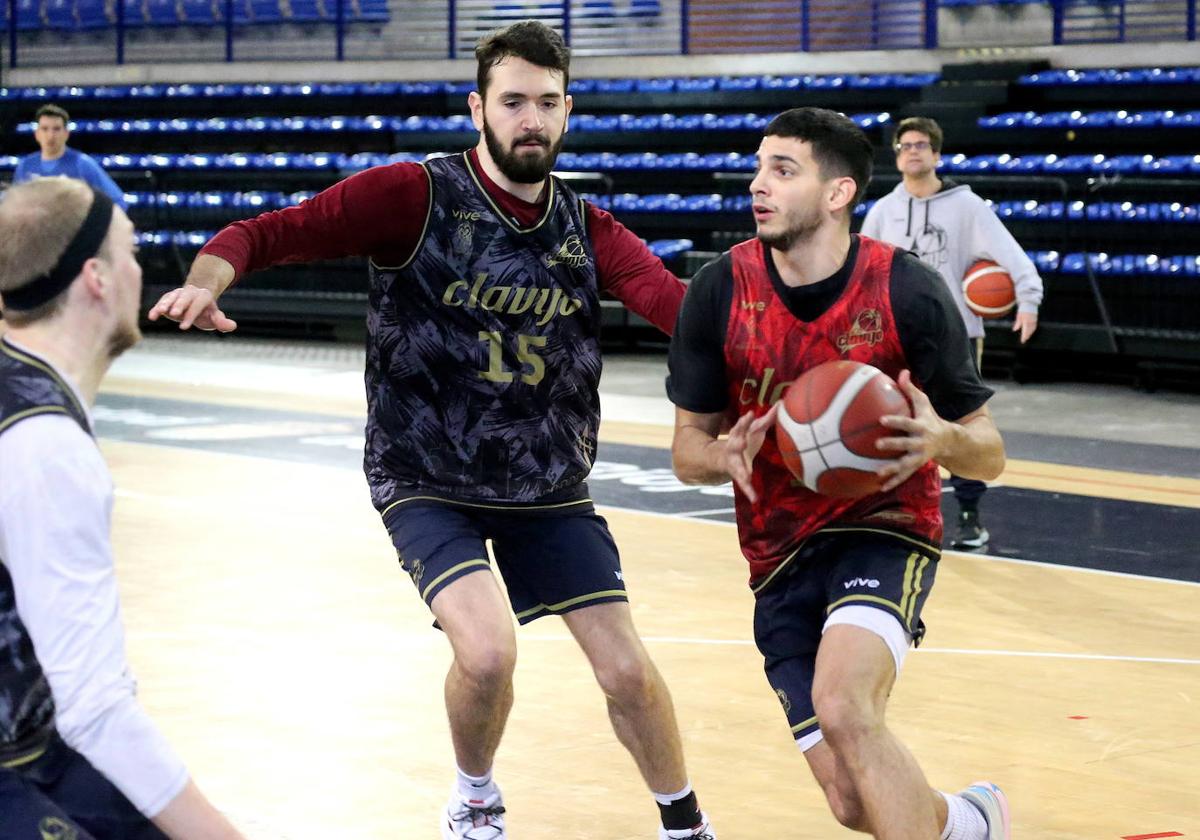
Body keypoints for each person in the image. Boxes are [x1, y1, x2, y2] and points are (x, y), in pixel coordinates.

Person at [146, 20, 716, 840]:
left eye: (547, 104)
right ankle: (475, 796)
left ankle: (685, 823)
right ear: (477, 106)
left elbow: (674, 306)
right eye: (513, 101)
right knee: (486, 653)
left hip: (546, 482)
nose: (530, 119)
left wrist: (760, 349)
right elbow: (271, 231)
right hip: (426, 475)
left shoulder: (587, 228)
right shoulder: (412, 195)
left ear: (567, 112)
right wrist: (208, 278)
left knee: (627, 668)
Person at [667, 108, 1011, 840]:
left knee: (846, 706)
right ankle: (970, 824)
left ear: (838, 193)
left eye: (782, 171)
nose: (759, 185)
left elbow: (991, 453)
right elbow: (686, 451)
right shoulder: (719, 291)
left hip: (884, 531)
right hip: (777, 556)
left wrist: (943, 437)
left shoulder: (906, 291)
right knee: (853, 803)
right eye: (760, 168)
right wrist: (722, 455)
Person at [0, 178, 246, 839]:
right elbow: (97, 708)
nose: (142, 268)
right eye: (130, 252)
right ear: (97, 279)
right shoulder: (43, 444)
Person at [860, 115, 1043, 551]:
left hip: (954, 336)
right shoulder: (884, 211)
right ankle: (884, 508)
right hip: (893, 337)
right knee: (885, 422)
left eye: (921, 145)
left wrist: (1029, 299)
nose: (913, 151)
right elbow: (860, 269)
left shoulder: (968, 207)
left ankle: (968, 515)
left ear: (937, 154)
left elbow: (1012, 256)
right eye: (905, 146)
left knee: (962, 424)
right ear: (897, 155)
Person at [13, 104, 128, 210]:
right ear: (37, 134)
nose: (50, 135)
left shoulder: (82, 164)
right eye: (45, 129)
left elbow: (118, 202)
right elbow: (14, 208)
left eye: (56, 129)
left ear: (66, 134)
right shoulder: (25, 167)